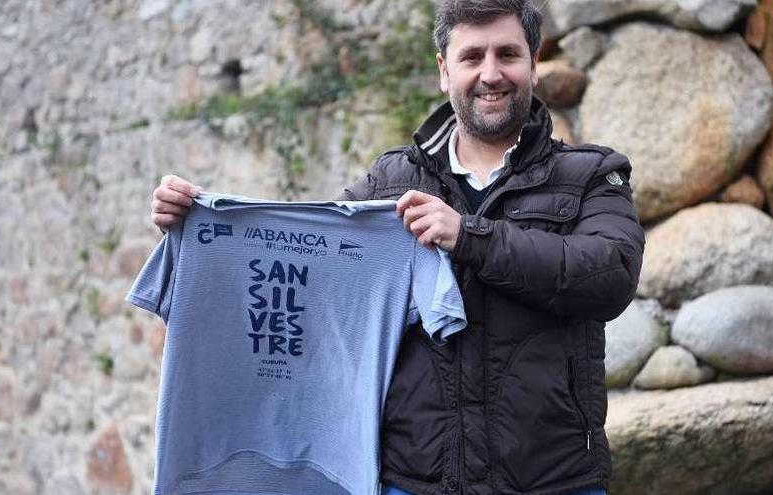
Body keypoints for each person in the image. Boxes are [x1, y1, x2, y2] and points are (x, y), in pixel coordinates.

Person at [150, 0, 644, 494]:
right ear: (443, 71)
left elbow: (608, 275)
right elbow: (306, 265)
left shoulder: (590, 175)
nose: (491, 74)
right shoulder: (392, 181)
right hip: (413, 482)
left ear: (533, 63)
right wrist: (202, 229)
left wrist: (469, 237)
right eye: (472, 57)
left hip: (555, 481)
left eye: (507, 54)